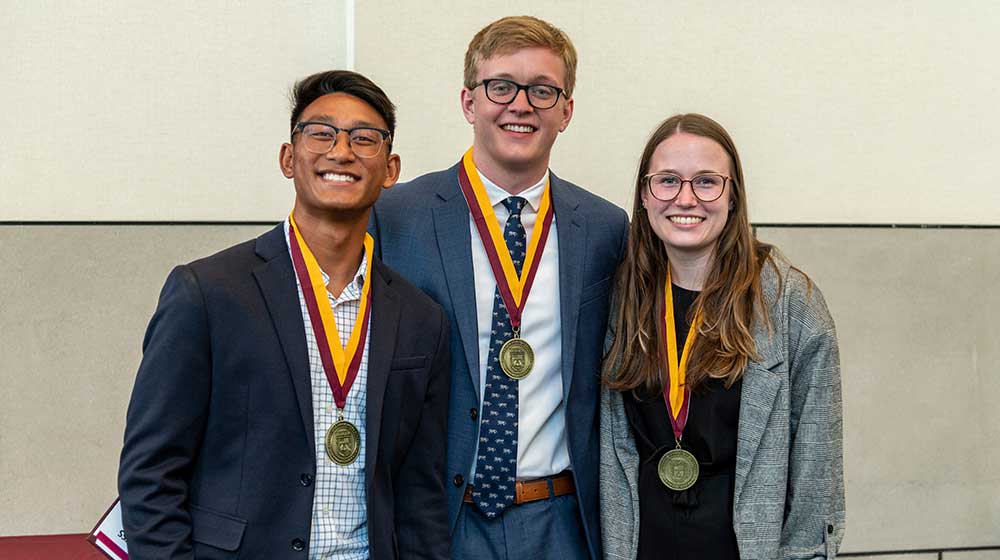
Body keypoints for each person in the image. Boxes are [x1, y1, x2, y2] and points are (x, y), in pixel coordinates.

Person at [118, 70, 451, 560]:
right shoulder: (208, 293)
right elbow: (150, 473)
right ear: (288, 158)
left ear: (390, 169)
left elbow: (421, 494)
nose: (341, 151)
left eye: (365, 139)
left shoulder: (421, 318)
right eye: (321, 133)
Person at [371, 15, 628, 560]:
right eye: (501, 86)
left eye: (543, 90)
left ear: (566, 111)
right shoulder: (395, 219)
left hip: (563, 520)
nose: (521, 104)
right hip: (440, 520)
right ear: (469, 102)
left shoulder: (605, 229)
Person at [599, 114, 845, 559]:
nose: (686, 198)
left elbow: (816, 485)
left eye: (707, 182)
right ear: (644, 195)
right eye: (667, 181)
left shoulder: (791, 306)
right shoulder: (618, 297)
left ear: (733, 196)